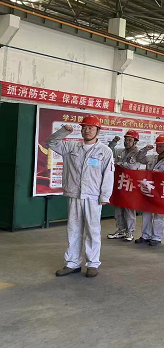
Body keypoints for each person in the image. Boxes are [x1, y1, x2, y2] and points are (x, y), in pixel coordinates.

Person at [48, 116, 114, 278]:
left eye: (91, 128)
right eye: (84, 127)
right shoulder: (71, 146)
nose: (87, 130)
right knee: (73, 230)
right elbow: (50, 143)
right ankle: (72, 263)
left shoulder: (105, 151)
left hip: (93, 197)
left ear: (98, 130)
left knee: (93, 231)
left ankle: (92, 264)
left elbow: (108, 175)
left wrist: (105, 195)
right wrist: (63, 132)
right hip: (75, 195)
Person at [135, 134, 164, 246]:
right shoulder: (152, 158)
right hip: (149, 189)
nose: (158, 148)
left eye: (161, 146)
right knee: (146, 213)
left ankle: (156, 238)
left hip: (161, 190)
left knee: (159, 215)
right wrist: (145, 149)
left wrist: (162, 174)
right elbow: (139, 158)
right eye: (157, 146)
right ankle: (145, 236)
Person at [107, 130, 141, 242]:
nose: (127, 142)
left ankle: (130, 231)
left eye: (130, 140)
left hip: (130, 184)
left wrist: (119, 163)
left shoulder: (138, 154)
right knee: (118, 207)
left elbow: (133, 166)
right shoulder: (121, 151)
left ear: (135, 142)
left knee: (128, 209)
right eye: (126, 140)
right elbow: (109, 151)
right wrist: (114, 142)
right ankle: (121, 230)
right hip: (119, 183)